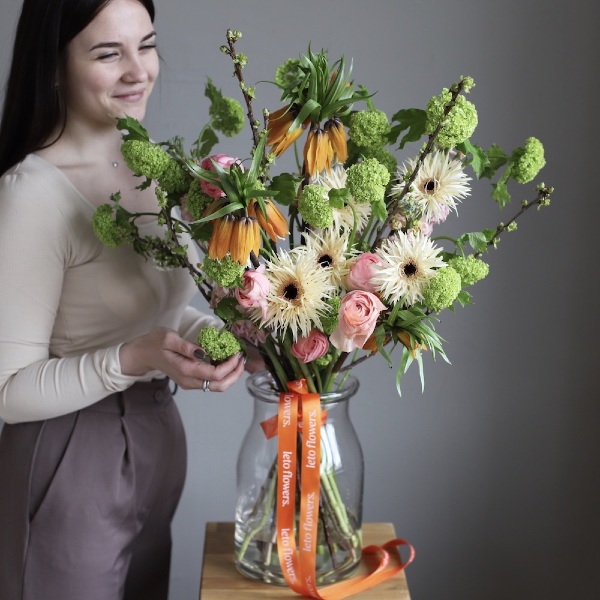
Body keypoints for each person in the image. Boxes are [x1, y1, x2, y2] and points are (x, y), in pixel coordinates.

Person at [0, 1, 255, 598]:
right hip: (68, 454)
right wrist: (136, 358)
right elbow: (7, 391)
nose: (138, 70)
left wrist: (194, 340)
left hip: (156, 435)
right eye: (108, 53)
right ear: (55, 68)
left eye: (146, 44)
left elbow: (145, 313)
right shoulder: (30, 195)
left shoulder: (156, 167)